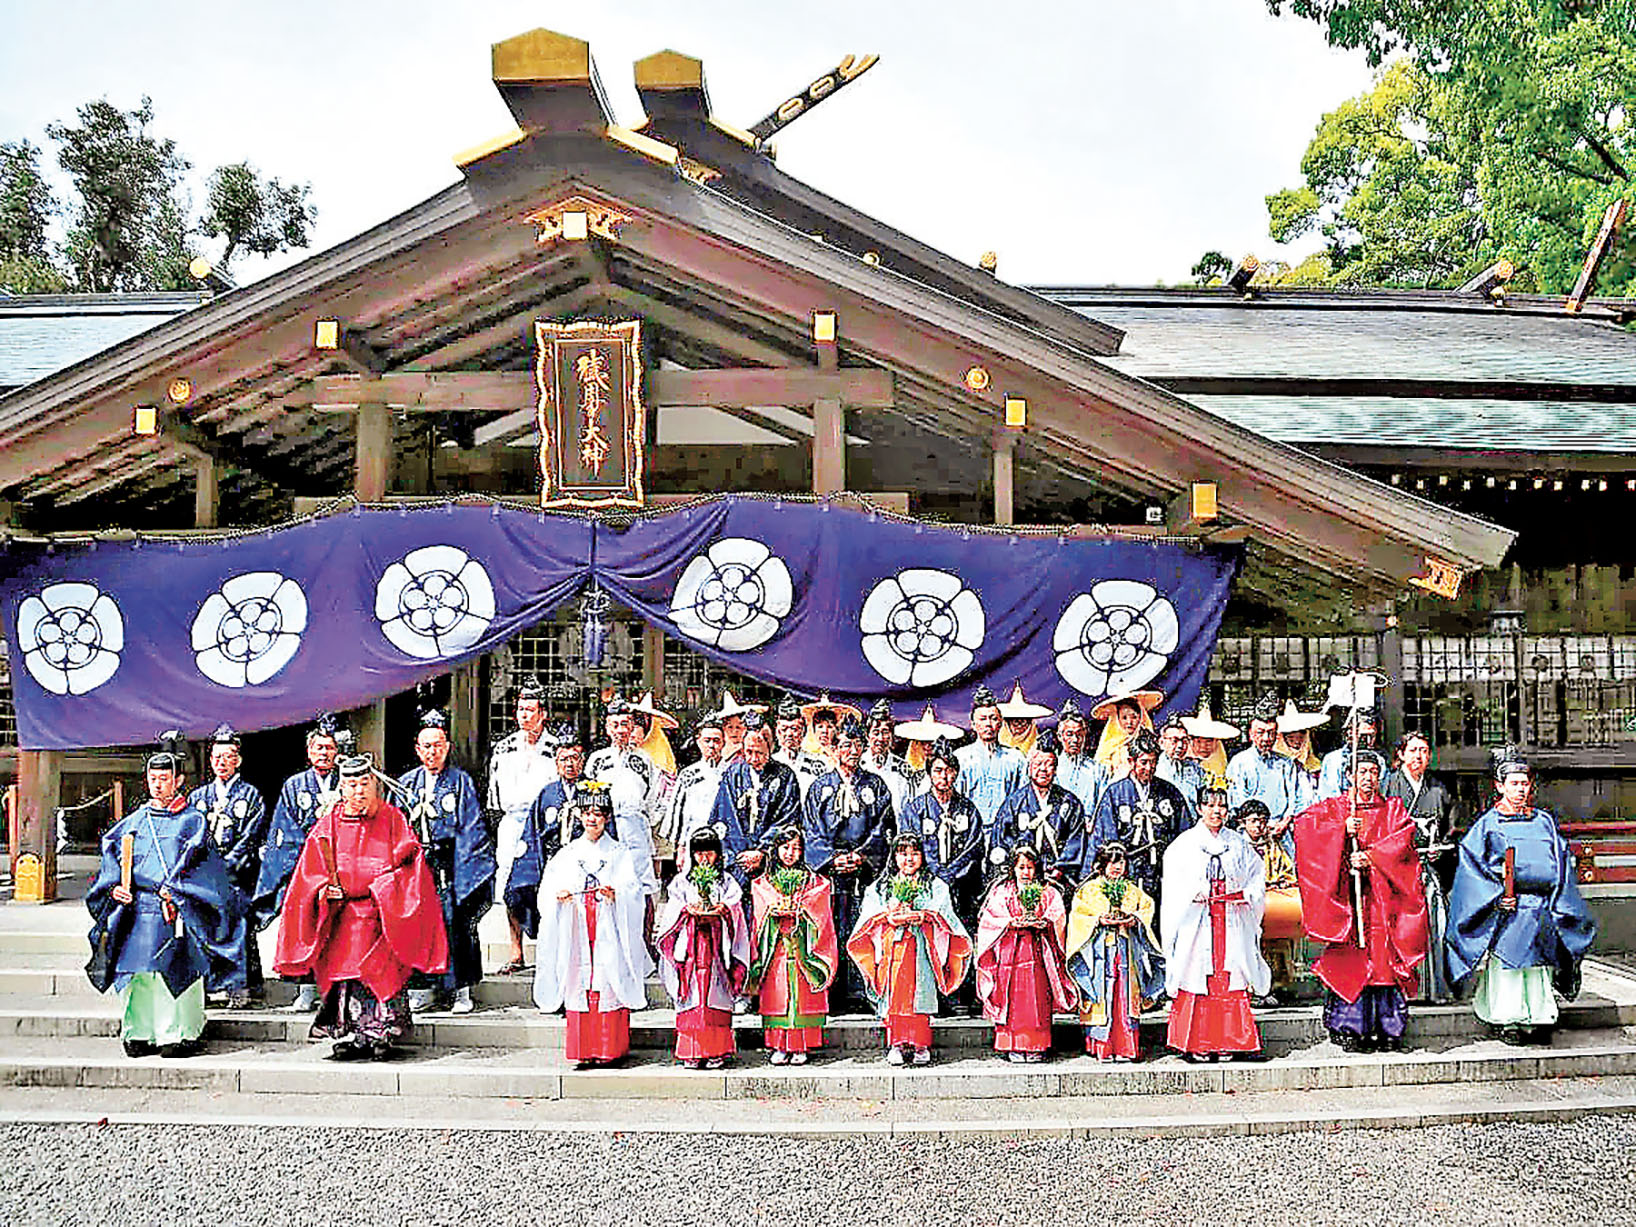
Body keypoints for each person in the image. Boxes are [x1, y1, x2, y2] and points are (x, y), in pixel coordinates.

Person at [273, 751, 449, 1061]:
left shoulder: (393, 818)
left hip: (383, 915)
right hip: (343, 917)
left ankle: (383, 1035)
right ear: (342, 788)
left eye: (365, 783)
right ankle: (355, 1036)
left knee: (379, 975)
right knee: (347, 980)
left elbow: (410, 864)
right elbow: (308, 874)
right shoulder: (327, 825)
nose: (359, 791)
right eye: (352, 785)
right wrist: (322, 890)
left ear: (375, 785)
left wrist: (385, 887)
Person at [86, 732, 244, 1058]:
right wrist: (115, 889)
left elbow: (208, 873)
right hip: (136, 910)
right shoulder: (132, 823)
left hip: (177, 911)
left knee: (174, 974)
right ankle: (138, 1032)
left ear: (179, 780)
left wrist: (181, 893)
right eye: (153, 778)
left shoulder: (193, 822)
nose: (158, 784)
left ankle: (180, 1033)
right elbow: (112, 865)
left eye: (164, 778)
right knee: (138, 976)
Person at [1446, 748, 1597, 1043]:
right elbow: (1472, 868)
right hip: (1508, 908)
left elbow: (1561, 861)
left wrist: (1557, 897)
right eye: (1513, 783)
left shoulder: (1543, 822)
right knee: (1510, 966)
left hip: (1541, 905)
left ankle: (1539, 1016)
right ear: (1500, 786)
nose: (1520, 789)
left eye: (1524, 784)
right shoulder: (1488, 825)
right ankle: (1507, 1018)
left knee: (1538, 968)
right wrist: (1496, 897)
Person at [1294, 750, 1428, 1053]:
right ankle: (1349, 1026)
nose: (1368, 778)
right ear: (1350, 775)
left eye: (1373, 772)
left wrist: (1371, 856)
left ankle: (1388, 1026)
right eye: (1361, 772)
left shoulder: (1392, 809)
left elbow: (1402, 842)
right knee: (1352, 958)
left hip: (1382, 900)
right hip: (1349, 901)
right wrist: (1340, 832)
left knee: (1382, 961)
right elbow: (1305, 831)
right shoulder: (1335, 808)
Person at [532, 781, 651, 1067]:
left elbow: (634, 893)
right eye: (587, 812)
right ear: (580, 816)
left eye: (598, 813)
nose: (592, 818)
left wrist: (616, 895)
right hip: (577, 924)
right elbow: (548, 890)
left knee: (608, 980)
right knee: (579, 982)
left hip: (608, 923)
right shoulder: (568, 853)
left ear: (607, 817)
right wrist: (558, 896)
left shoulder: (619, 852)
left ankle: (609, 1049)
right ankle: (583, 1049)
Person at [1161, 787, 1271, 1062]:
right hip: (1197, 918)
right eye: (1209, 806)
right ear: (1199, 809)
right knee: (1197, 975)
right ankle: (1197, 1042)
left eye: (1221, 806)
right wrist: (1193, 891)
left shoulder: (1238, 843)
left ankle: (1230, 1041)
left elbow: (1256, 875)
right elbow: (1173, 883)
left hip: (1231, 916)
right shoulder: (1184, 844)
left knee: (1230, 975)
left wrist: (1247, 894)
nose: (1216, 811)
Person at [399, 709, 495, 1015]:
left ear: (447, 747)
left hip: (451, 866)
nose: (432, 752)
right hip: (417, 866)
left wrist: (466, 873)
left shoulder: (460, 782)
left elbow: (472, 828)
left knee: (455, 925)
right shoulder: (406, 784)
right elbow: (395, 827)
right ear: (417, 748)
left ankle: (461, 990)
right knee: (418, 927)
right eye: (426, 746)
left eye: (438, 745)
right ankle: (422, 988)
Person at [846, 833, 972, 1066]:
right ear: (894, 857)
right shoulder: (881, 887)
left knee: (919, 995)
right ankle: (896, 1043)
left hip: (921, 949)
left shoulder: (935, 885)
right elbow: (868, 918)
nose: (909, 859)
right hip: (892, 948)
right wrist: (888, 917)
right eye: (903, 854)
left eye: (915, 853)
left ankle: (920, 1043)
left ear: (923, 856)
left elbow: (946, 916)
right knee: (895, 997)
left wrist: (923, 916)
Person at [252, 715, 344, 1012]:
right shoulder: (295, 786)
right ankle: (305, 989)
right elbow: (284, 830)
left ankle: (337, 988)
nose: (323, 753)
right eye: (318, 748)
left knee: (340, 929)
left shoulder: (347, 781)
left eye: (329, 748)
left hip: (341, 867)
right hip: (305, 868)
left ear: (337, 752)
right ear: (308, 752)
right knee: (305, 927)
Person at [805, 716, 894, 1012]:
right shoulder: (819, 787)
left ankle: (862, 992)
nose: (851, 750)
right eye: (845, 745)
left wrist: (863, 856)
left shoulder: (876, 785)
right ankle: (833, 992)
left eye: (856, 744)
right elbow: (811, 830)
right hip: (830, 873)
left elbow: (884, 827)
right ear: (834, 749)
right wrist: (832, 858)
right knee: (830, 931)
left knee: (864, 928)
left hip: (864, 871)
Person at [656, 827, 752, 1069]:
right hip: (690, 949)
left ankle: (716, 1050)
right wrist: (687, 910)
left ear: (718, 854)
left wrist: (723, 910)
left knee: (715, 995)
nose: (704, 858)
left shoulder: (727, 881)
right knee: (692, 996)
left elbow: (735, 908)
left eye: (709, 853)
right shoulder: (681, 882)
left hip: (718, 950)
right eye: (699, 854)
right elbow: (672, 913)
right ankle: (692, 1051)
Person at [186, 724, 268, 1008]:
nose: (222, 763)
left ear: (239, 760)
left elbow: (251, 837)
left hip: (237, 875)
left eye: (228, 756)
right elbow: (193, 838)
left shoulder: (251, 795)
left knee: (237, 928)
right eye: (217, 757)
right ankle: (209, 986)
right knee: (206, 928)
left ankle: (239, 987)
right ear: (210, 761)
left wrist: (228, 866)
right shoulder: (198, 797)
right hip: (207, 876)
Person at [745, 825, 838, 1065]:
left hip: (802, 949)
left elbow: (820, 907)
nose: (790, 853)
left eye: (796, 848)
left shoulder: (814, 881)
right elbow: (761, 908)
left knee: (803, 994)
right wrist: (773, 912)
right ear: (775, 850)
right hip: (777, 949)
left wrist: (802, 911)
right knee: (778, 994)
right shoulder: (763, 882)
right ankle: (779, 1045)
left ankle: (801, 1046)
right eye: (785, 847)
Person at [975, 845, 1076, 1063]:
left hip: (1037, 951)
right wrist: (1009, 921)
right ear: (1013, 868)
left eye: (1030, 867)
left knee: (1036, 999)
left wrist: (1044, 921)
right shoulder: (1002, 891)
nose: (1026, 872)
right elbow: (990, 918)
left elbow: (1057, 915)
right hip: (1010, 951)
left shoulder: (1047, 891)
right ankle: (1012, 1044)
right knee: (1012, 999)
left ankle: (1036, 1045)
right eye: (1021, 867)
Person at [1065, 841, 1165, 1062]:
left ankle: (1126, 1046)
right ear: (1101, 864)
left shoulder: (1132, 890)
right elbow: (1078, 917)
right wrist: (1098, 920)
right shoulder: (1089, 890)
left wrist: (1134, 920)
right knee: (1102, 993)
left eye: (1120, 862)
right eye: (1111, 862)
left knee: (1124, 995)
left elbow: (1147, 909)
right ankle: (1102, 1046)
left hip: (1126, 951)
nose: (1116, 867)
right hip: (1099, 952)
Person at [485, 677, 558, 976]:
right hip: (513, 821)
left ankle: (549, 949)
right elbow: (494, 795)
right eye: (520, 709)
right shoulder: (503, 748)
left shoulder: (555, 748)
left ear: (543, 713)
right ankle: (516, 950)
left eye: (530, 709)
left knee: (548, 883)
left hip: (545, 822)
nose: (524, 715)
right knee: (510, 885)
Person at [1382, 730, 1458, 1002]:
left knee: (1434, 925)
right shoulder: (1389, 786)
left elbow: (1449, 828)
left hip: (1430, 869)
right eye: (1413, 750)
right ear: (1400, 754)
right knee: (1402, 929)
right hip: (1398, 872)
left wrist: (1442, 847)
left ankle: (1434, 989)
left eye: (1424, 751)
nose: (1419, 756)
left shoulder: (1437, 789)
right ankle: (1403, 988)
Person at [503, 723, 587, 951]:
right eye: (564, 759)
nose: (569, 764)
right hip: (553, 861)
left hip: (585, 862)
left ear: (582, 760)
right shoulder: (547, 793)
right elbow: (533, 833)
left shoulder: (593, 790)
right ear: (556, 762)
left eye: (574, 758)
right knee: (517, 887)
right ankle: (523, 952)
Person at [1087, 728, 1191, 908]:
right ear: (1131, 761)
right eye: (1143, 762)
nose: (1148, 768)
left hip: (1161, 870)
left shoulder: (1170, 792)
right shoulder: (1114, 793)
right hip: (1128, 869)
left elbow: (1184, 833)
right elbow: (1103, 836)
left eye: (1153, 762)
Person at [898, 737, 986, 928]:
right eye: (938, 770)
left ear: (956, 773)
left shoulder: (968, 809)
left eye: (949, 771)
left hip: (962, 886)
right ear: (929, 773)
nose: (944, 776)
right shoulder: (915, 809)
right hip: (925, 884)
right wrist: (937, 874)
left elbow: (974, 848)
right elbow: (911, 848)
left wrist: (952, 874)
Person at [707, 716, 803, 883]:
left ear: (770, 748)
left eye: (759, 753)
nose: (753, 759)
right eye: (748, 752)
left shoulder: (785, 776)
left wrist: (762, 851)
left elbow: (787, 818)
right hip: (738, 861)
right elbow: (724, 817)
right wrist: (740, 856)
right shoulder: (733, 774)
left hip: (771, 860)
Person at [989, 730, 1088, 889]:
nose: (1043, 769)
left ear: (1055, 770)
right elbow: (1002, 839)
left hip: (1058, 876)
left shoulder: (1069, 802)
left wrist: (1059, 869)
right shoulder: (1015, 802)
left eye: (1049, 765)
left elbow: (1075, 841)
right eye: (1038, 764)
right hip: (1022, 875)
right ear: (1029, 768)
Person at [585, 697, 661, 895]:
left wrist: (645, 822)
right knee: (605, 881)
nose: (620, 730)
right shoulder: (597, 759)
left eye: (625, 724)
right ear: (608, 728)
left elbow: (654, 797)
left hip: (635, 825)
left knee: (641, 883)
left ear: (632, 727)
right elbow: (586, 796)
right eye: (615, 725)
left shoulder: (644, 760)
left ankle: (644, 926)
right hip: (605, 827)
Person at [1226, 693, 1312, 855]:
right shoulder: (1239, 763)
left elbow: (1296, 797)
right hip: (1250, 833)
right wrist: (1260, 824)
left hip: (1283, 832)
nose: (1266, 738)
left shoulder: (1286, 763)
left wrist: (1285, 821)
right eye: (1260, 732)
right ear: (1251, 733)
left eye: (1271, 733)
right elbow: (1237, 801)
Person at [1237, 799, 1302, 1002]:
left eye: (1263, 821)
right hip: (1245, 904)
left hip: (1270, 903)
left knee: (1277, 944)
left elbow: (1287, 870)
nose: (1259, 826)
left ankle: (1276, 986)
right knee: (1247, 946)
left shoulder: (1273, 846)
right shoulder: (1236, 846)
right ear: (1242, 822)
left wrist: (1281, 882)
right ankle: (1249, 988)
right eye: (1254, 821)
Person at [659, 715, 728, 868]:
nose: (712, 745)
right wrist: (681, 848)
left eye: (716, 741)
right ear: (698, 742)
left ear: (723, 742)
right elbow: (679, 813)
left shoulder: (732, 772)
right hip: (694, 835)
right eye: (707, 740)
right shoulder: (689, 774)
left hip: (723, 837)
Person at [956, 684, 1026, 833]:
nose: (988, 724)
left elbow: (1023, 798)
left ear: (1000, 723)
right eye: (982, 719)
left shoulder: (1016, 759)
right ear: (973, 725)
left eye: (993, 718)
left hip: (1006, 831)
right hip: (970, 831)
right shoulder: (960, 758)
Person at [1054, 698, 1111, 815]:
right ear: (1060, 736)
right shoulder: (1052, 768)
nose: (1075, 740)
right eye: (1069, 734)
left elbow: (1103, 806)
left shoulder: (1098, 770)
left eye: (1079, 734)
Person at [862, 698, 916, 819]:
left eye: (885, 732)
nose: (880, 738)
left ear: (892, 736)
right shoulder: (858, 765)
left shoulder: (903, 768)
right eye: (876, 732)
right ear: (867, 735)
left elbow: (909, 808)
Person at [1090, 690, 1163, 780]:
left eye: (1134, 717)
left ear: (1141, 718)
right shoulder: (1109, 745)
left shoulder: (1150, 744)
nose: (1129, 722)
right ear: (1117, 719)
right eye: (1124, 718)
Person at [1317, 706, 1382, 802]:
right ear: (1351, 733)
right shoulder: (1333, 760)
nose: (1368, 741)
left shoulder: (1380, 761)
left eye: (1371, 736)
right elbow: (1329, 796)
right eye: (1364, 736)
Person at [772, 694, 829, 801]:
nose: (789, 734)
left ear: (803, 731)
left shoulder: (819, 762)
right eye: (784, 729)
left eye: (794, 729)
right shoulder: (771, 763)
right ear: (777, 732)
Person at [1154, 716, 1205, 819]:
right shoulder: (1155, 768)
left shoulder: (1195, 769)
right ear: (1161, 743)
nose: (1180, 745)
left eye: (1184, 740)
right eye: (1175, 740)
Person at [1181, 702, 1238, 789]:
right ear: (1191, 740)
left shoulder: (1219, 752)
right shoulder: (1182, 758)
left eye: (1209, 741)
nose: (1204, 746)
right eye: (1199, 741)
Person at [1273, 699, 1326, 789]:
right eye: (1291, 738)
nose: (1297, 742)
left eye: (1301, 738)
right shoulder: (1274, 765)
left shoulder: (1315, 765)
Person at [709, 691, 767, 765]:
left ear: (745, 728)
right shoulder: (717, 749)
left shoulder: (750, 748)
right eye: (730, 727)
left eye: (738, 727)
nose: (734, 731)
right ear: (724, 728)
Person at [997, 684, 1052, 756]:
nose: (1019, 725)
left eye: (1023, 721)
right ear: (1007, 723)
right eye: (1015, 722)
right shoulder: (997, 744)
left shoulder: (1040, 746)